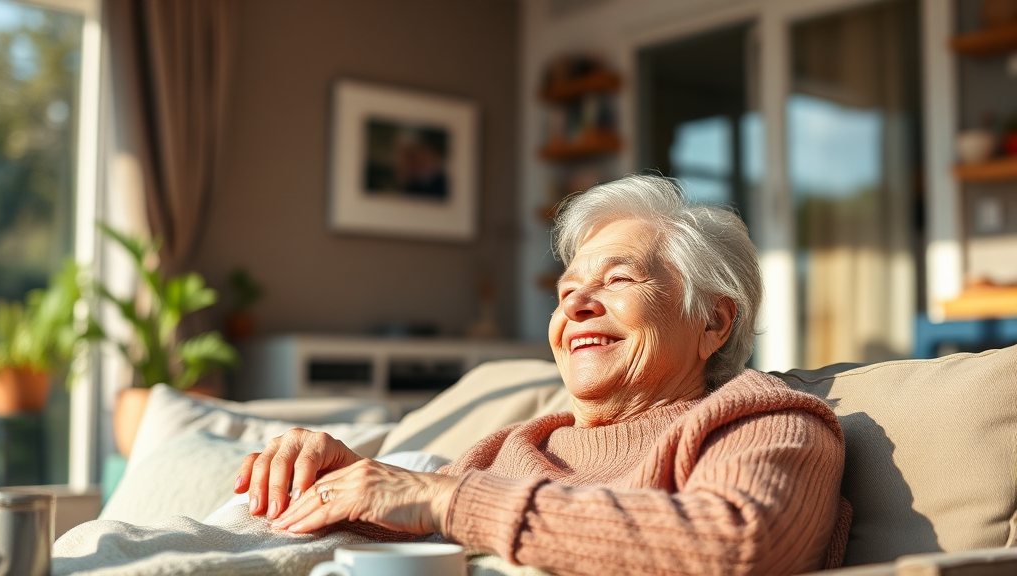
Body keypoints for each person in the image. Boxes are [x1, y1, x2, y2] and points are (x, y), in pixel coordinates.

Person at [235, 174, 851, 575]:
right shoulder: (516, 445)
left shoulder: (759, 419)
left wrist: (444, 498)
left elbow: (739, 544)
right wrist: (328, 477)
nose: (575, 305)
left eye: (617, 279)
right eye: (566, 290)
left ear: (712, 321)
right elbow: (402, 519)